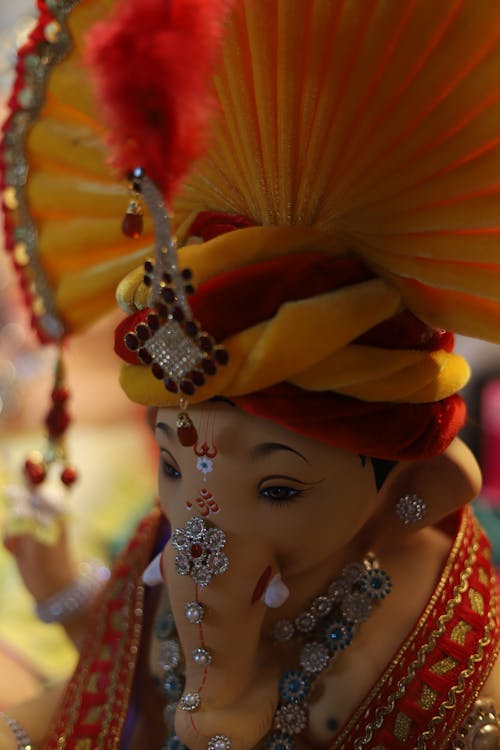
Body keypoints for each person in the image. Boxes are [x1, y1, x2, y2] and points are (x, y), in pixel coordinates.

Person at [0, 0, 499, 748]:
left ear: (410, 487)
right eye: (171, 463)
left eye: (278, 489)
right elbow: (124, 694)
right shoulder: (177, 533)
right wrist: (70, 594)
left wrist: (226, 713)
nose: (198, 535)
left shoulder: (431, 642)